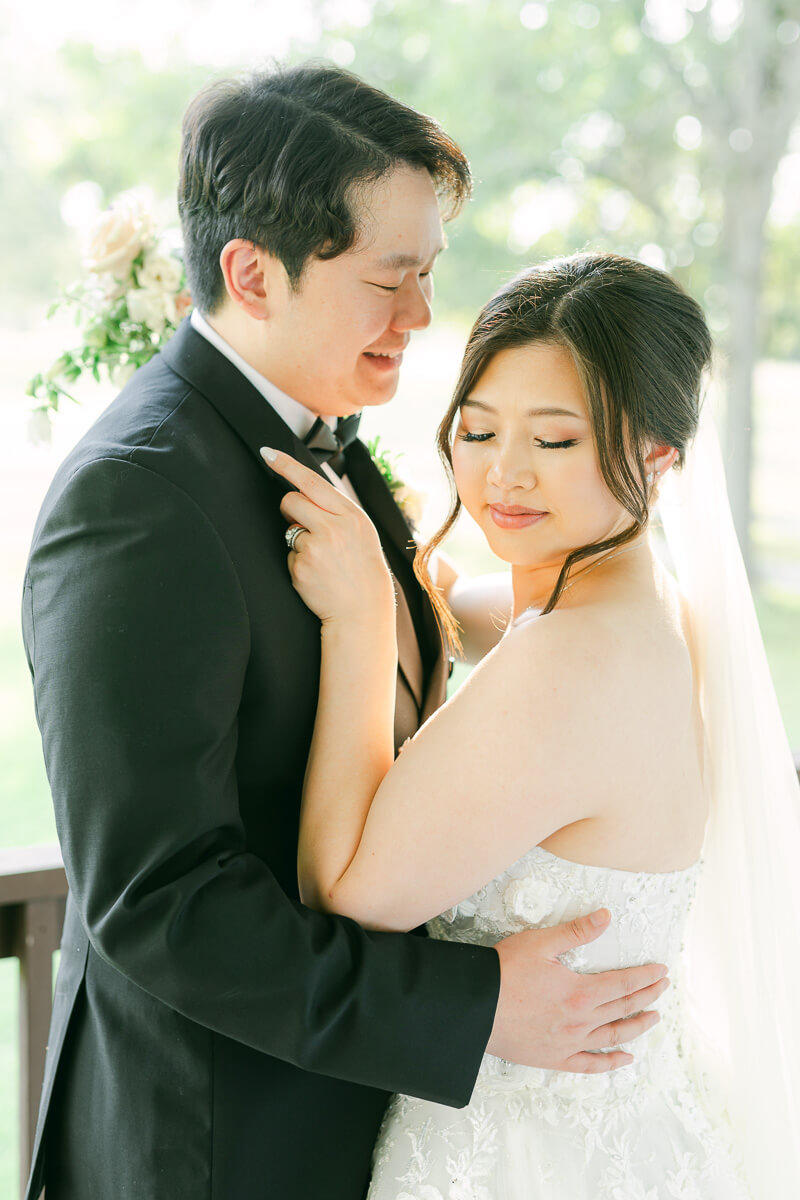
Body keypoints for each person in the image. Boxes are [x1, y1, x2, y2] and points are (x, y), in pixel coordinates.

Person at [21, 69, 665, 1200]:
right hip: (216, 1149)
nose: (420, 315)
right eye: (387, 279)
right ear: (250, 273)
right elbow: (159, 905)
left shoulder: (326, 434)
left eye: (426, 273)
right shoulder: (137, 501)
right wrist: (476, 1008)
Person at [263, 252, 800, 1197]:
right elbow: (466, 616)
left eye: (553, 442)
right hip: (626, 1127)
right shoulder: (640, 611)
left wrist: (358, 621)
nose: (502, 474)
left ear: (655, 456)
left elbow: (345, 890)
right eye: (476, 429)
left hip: (531, 1157)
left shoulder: (572, 660)